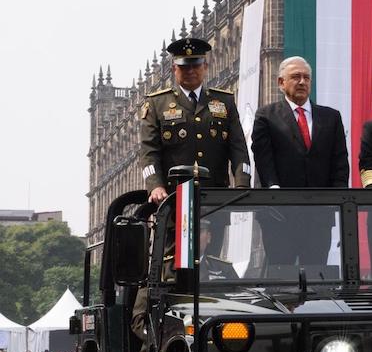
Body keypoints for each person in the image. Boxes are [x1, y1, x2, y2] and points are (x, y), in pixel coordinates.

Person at [251, 56, 349, 267]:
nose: (302, 82)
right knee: (282, 278)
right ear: (281, 82)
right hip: (279, 217)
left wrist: (337, 197)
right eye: (295, 77)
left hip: (318, 217)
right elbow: (263, 159)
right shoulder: (266, 116)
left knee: (316, 278)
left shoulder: (331, 117)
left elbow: (340, 161)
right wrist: (275, 192)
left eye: (306, 78)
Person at [140, 37, 251, 205]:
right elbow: (149, 152)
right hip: (172, 199)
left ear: (205, 67)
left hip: (215, 200)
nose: (190, 71)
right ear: (174, 69)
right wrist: (155, 186)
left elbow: (238, 148)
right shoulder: (157, 103)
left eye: (195, 65)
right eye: (184, 66)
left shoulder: (224, 101)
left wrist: (242, 184)